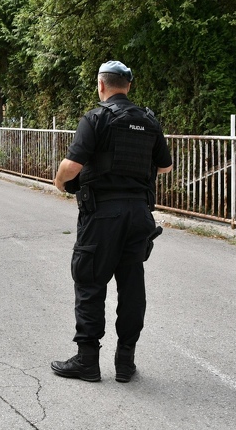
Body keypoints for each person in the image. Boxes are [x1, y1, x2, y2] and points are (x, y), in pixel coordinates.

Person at [50, 60, 173, 383]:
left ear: (101, 85)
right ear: (128, 86)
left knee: (90, 283)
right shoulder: (148, 121)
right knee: (132, 286)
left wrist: (60, 183)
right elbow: (165, 167)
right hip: (139, 216)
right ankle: (125, 362)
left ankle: (87, 361)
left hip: (102, 216)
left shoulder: (96, 118)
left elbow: (72, 166)